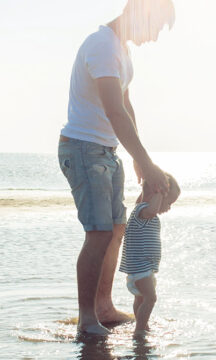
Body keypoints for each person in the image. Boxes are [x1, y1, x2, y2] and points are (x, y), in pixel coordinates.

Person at [58, 0, 175, 335]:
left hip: (106, 151)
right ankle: (87, 319)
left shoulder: (121, 50)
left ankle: (104, 307)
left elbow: (126, 104)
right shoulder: (102, 45)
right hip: (83, 148)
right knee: (98, 233)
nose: (153, 37)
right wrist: (147, 163)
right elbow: (114, 112)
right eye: (155, 27)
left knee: (116, 230)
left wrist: (139, 158)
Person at [119, 174, 180, 336]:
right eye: (168, 202)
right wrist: (161, 191)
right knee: (150, 299)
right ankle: (139, 331)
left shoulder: (141, 209)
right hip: (140, 270)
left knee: (140, 299)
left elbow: (148, 200)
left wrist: (157, 189)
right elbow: (153, 208)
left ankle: (142, 325)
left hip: (141, 270)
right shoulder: (144, 212)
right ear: (156, 194)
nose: (168, 207)